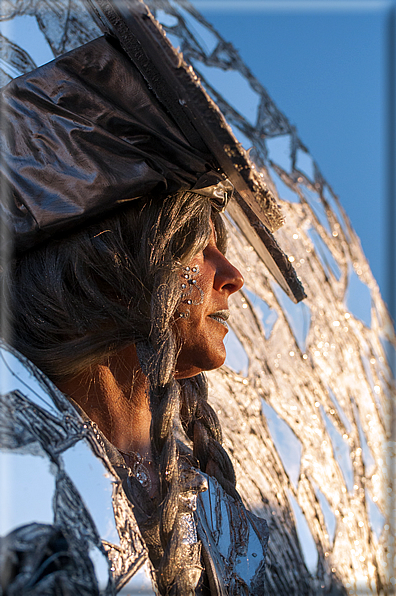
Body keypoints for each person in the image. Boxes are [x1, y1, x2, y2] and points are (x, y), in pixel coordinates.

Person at [0, 2, 304, 593]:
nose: (232, 275)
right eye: (198, 243)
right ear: (111, 262)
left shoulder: (210, 501)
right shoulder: (23, 474)